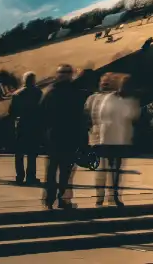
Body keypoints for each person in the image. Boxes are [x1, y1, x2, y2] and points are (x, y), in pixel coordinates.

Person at [87, 73, 140, 207]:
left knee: (114, 170)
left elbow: (132, 116)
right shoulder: (111, 98)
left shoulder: (126, 100)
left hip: (119, 138)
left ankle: (113, 196)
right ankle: (102, 196)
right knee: (106, 169)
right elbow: (102, 115)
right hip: (109, 138)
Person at [40, 64, 85, 210]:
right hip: (70, 136)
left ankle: (48, 200)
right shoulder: (75, 92)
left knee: (52, 170)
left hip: (53, 135)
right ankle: (63, 200)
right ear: (71, 75)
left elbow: (41, 114)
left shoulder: (50, 92)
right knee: (66, 171)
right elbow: (81, 117)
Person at [10, 72, 42, 185]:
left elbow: (12, 112)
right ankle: (31, 176)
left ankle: (19, 176)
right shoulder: (38, 92)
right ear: (33, 80)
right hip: (34, 125)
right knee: (32, 152)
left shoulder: (16, 94)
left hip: (20, 124)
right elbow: (41, 109)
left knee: (19, 152)